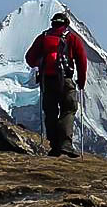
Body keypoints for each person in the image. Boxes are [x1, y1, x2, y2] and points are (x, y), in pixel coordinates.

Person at [24, 11, 88, 157]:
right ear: (66, 24)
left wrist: (40, 64)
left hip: (47, 80)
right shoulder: (72, 38)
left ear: (53, 23)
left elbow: (29, 58)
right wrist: (81, 81)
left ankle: (54, 146)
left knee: (50, 112)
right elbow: (82, 60)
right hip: (65, 80)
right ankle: (66, 144)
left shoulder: (43, 37)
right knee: (68, 109)